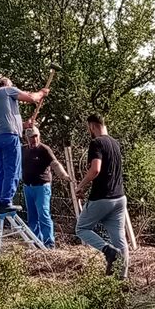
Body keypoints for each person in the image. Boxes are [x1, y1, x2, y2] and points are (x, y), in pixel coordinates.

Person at [75, 113, 129, 279]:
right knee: (120, 239)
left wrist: (81, 185)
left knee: (82, 228)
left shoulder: (96, 143)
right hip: (119, 198)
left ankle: (108, 251)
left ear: (92, 126)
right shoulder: (115, 143)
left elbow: (95, 170)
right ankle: (122, 278)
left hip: (101, 197)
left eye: (88, 128)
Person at [0, 76, 49, 214]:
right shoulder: (7, 90)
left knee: (1, 171)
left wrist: (25, 125)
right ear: (7, 84)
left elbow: (7, 121)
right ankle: (6, 201)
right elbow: (32, 98)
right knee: (13, 169)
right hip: (10, 137)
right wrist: (42, 93)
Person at [22, 126, 72, 248]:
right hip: (27, 187)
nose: (34, 139)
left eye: (35, 136)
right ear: (26, 138)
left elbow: (55, 164)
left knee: (43, 215)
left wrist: (64, 175)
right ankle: (36, 243)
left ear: (39, 136)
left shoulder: (44, 149)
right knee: (32, 217)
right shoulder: (23, 150)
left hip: (42, 188)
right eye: (30, 137)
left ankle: (49, 244)